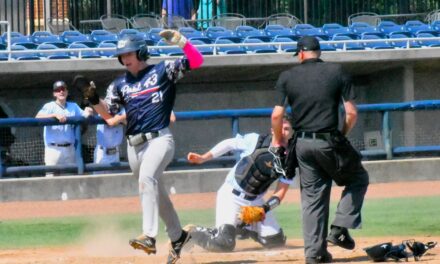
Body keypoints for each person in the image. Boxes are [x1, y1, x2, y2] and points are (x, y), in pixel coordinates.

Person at [80, 30, 203, 264]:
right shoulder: (119, 84)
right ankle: (178, 237)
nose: (125, 57)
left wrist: (182, 42)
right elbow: (109, 115)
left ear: (141, 52)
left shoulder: (162, 70)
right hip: (133, 147)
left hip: (160, 139)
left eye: (129, 53)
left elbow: (197, 61)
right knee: (156, 191)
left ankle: (149, 235)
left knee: (147, 180)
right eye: (122, 54)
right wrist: (94, 100)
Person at [270, 36, 369, 264]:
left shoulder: (288, 76)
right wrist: (341, 134)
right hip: (329, 140)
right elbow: (351, 113)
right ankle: (340, 227)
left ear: (301, 54)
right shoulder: (337, 72)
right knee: (358, 178)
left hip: (302, 145)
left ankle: (314, 254)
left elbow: (276, 115)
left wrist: (277, 141)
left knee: (313, 199)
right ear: (318, 52)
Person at [185, 117, 294, 252]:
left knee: (275, 242)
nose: (283, 132)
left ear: (291, 132)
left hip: (256, 201)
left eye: (287, 129)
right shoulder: (257, 141)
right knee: (224, 244)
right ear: (273, 130)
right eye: (280, 128)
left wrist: (263, 209)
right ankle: (193, 233)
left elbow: (280, 194)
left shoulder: (290, 160)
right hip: (232, 196)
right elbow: (229, 144)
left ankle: (241, 228)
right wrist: (204, 158)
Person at [36, 80, 92, 177]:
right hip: (53, 149)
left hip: (69, 149)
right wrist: (54, 115)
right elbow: (37, 118)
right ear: (54, 94)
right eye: (58, 90)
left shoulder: (73, 106)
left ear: (67, 91)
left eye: (63, 89)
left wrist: (89, 110)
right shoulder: (49, 106)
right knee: (51, 180)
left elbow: (85, 115)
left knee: (70, 180)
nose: (61, 92)